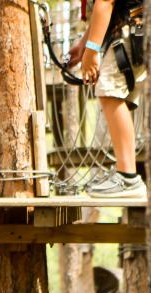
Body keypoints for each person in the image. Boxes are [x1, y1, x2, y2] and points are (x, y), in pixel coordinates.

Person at [67, 0, 146, 198]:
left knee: (110, 92)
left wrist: (91, 51)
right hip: (136, 27)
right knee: (115, 96)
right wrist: (84, 45)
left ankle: (128, 176)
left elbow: (105, 1)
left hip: (129, 28)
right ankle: (126, 172)